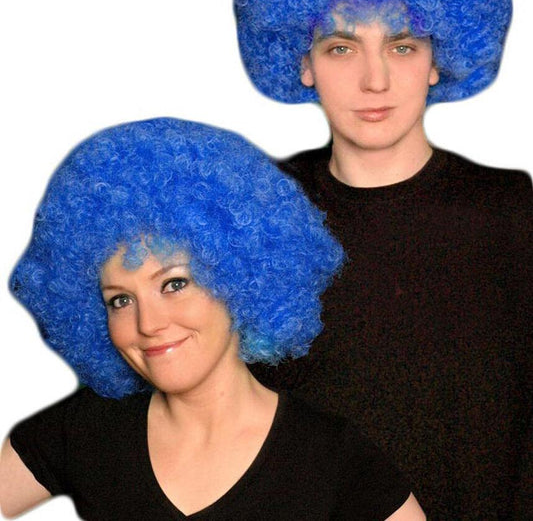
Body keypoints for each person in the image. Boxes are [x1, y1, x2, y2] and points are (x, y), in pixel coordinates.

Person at [235, 0, 532, 520]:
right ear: (304, 62)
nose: (375, 79)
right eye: (342, 47)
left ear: (436, 59)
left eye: (401, 45)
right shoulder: (257, 218)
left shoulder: (513, 220)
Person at [0, 117, 425, 520]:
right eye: (120, 300)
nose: (148, 324)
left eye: (174, 284)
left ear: (238, 282)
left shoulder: (331, 458)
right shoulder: (84, 431)